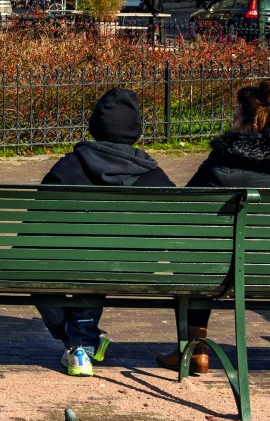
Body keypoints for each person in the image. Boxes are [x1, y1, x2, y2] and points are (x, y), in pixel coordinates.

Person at [160, 79, 270, 374]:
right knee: (205, 253)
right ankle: (193, 348)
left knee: (191, 256)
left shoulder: (228, 158)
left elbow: (184, 206)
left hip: (236, 268)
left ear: (252, 124)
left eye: (235, 116)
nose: (231, 122)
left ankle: (194, 349)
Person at [33, 87, 173, 378]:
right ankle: (83, 338)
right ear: (135, 131)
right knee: (100, 265)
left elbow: (35, 230)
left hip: (75, 264)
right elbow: (178, 228)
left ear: (94, 127)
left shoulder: (68, 168)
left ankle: (77, 342)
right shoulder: (154, 176)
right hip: (137, 268)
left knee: (28, 266)